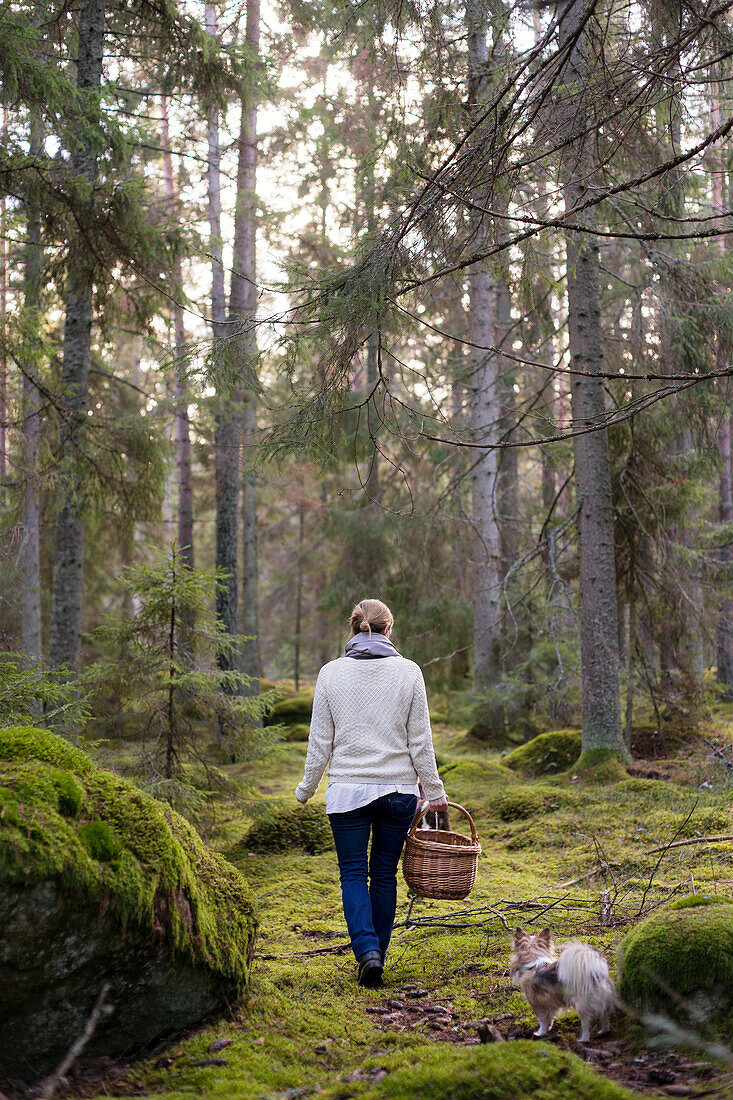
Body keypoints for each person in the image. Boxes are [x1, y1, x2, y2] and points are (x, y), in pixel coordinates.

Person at [295, 598, 448, 988]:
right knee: (383, 874)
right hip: (398, 791)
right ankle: (377, 952)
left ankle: (367, 952)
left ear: (353, 628)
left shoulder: (330, 674)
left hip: (347, 792)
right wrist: (435, 791)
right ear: (388, 629)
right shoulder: (409, 672)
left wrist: (306, 788)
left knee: (352, 874)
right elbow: (421, 742)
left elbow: (320, 742)